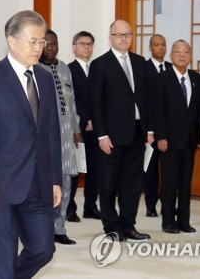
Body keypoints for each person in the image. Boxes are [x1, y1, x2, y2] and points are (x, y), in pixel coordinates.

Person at [0, 10, 62, 279]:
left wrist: (55, 178)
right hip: (0, 182)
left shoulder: (45, 77)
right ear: (11, 41)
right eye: (32, 41)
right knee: (2, 255)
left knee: (43, 249)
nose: (38, 48)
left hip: (38, 180)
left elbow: (51, 133)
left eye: (41, 41)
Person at [89, 20, 153, 241]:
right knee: (108, 182)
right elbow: (95, 103)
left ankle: (128, 225)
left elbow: (145, 98)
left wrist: (150, 129)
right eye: (119, 35)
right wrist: (101, 135)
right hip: (111, 135)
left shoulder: (140, 62)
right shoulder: (100, 65)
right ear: (110, 38)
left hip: (137, 131)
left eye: (128, 34)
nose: (124, 38)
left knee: (132, 183)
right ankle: (111, 226)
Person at [155, 40, 200, 234]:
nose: (182, 55)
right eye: (178, 51)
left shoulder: (196, 79)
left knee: (185, 183)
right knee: (168, 182)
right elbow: (157, 110)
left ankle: (184, 220)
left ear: (191, 56)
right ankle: (168, 221)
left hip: (190, 140)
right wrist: (161, 136)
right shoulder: (163, 78)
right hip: (169, 140)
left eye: (186, 52)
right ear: (171, 56)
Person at [39, 29, 81, 245]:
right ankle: (43, 230)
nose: (50, 46)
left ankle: (59, 228)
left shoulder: (64, 68)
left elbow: (71, 101)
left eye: (53, 43)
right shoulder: (34, 69)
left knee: (65, 183)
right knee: (45, 184)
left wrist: (76, 129)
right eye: (46, 43)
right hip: (44, 137)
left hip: (66, 136)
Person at [68, 31, 101, 222]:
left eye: (89, 44)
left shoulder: (98, 68)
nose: (86, 47)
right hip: (77, 127)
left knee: (94, 169)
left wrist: (95, 119)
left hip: (97, 127)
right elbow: (72, 98)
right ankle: (70, 208)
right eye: (82, 44)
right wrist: (87, 118)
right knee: (75, 169)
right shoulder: (68, 69)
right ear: (74, 47)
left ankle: (91, 206)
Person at [143, 34, 173, 218]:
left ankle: (168, 203)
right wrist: (148, 130)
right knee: (151, 170)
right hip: (151, 129)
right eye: (156, 45)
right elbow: (144, 103)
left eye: (163, 45)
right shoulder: (143, 69)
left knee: (170, 170)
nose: (160, 48)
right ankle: (151, 204)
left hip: (170, 129)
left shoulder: (171, 69)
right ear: (150, 47)